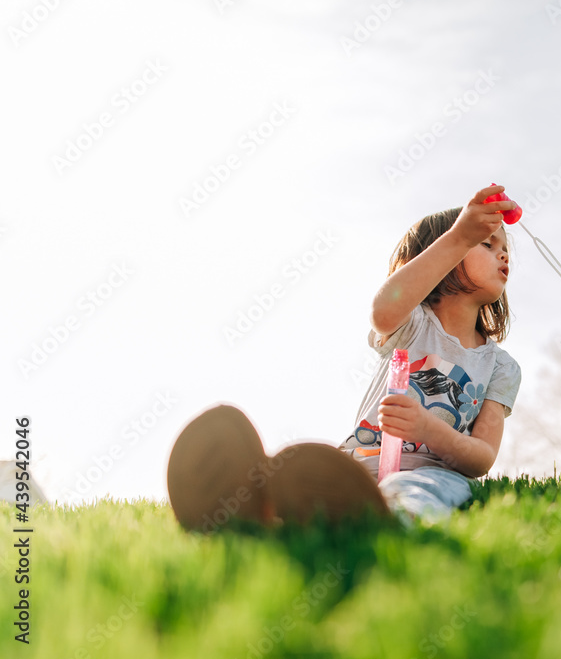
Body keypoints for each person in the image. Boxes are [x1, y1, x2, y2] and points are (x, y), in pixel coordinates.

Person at [166, 184, 522, 532]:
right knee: (306, 473)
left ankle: (384, 521)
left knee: (412, 493)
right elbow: (383, 312)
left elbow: (481, 457)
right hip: (360, 462)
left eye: (504, 249)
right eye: (487, 244)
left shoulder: (501, 367)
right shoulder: (411, 323)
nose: (503, 255)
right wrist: (459, 235)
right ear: (439, 255)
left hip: (434, 474)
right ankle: (254, 505)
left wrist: (428, 429)